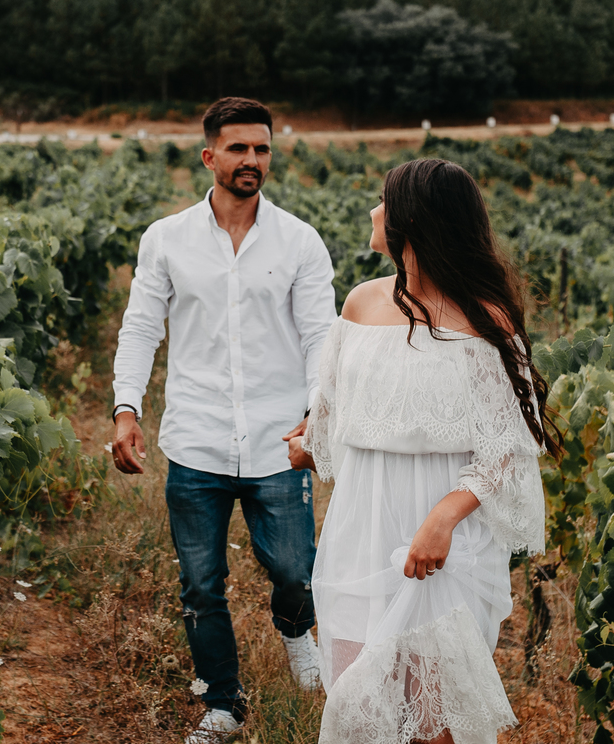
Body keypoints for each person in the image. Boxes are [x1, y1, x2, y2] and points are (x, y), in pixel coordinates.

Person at [289, 158, 561, 744]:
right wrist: (309, 445)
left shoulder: (483, 318)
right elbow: (334, 408)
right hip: (361, 523)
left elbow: (507, 445)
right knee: (361, 703)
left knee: (436, 722)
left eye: (382, 200)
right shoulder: (360, 303)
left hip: (443, 535)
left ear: (412, 219)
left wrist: (443, 519)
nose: (372, 211)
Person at [111, 97, 336, 743]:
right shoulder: (167, 240)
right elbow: (140, 329)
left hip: (277, 441)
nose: (252, 161)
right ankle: (223, 702)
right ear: (209, 156)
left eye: (261, 149)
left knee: (296, 572)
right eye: (238, 149)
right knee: (201, 583)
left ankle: (295, 631)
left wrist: (315, 414)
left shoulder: (299, 241)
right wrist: (127, 407)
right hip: (196, 439)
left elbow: (321, 336)